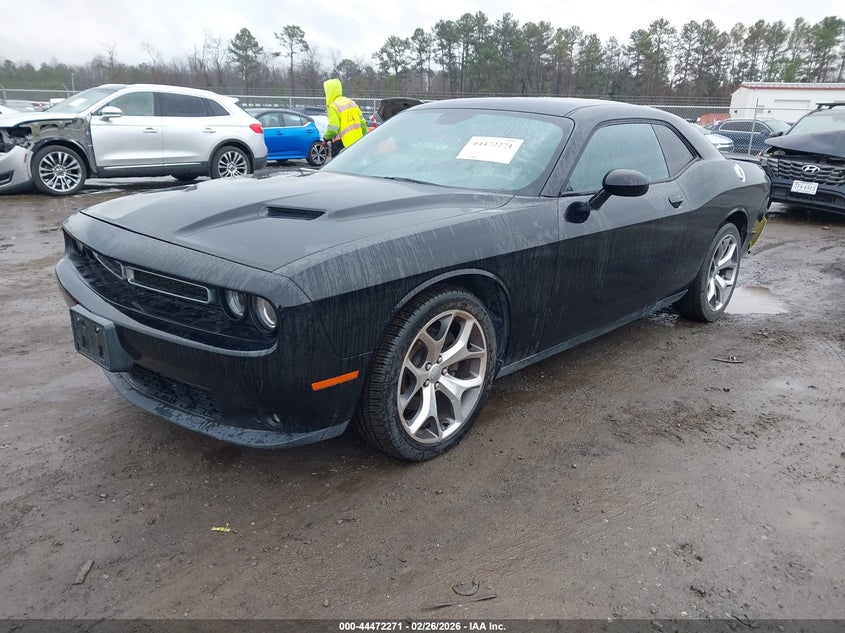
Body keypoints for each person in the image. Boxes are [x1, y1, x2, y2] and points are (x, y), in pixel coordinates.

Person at [322, 78, 367, 158]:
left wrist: (325, 139)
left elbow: (333, 129)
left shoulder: (333, 107)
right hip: (357, 143)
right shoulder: (351, 102)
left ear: (329, 91)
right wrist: (365, 137)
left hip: (341, 144)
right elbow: (362, 122)